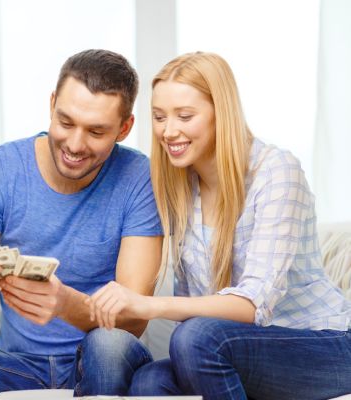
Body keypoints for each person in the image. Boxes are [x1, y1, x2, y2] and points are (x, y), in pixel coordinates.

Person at [87, 51, 351, 399]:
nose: (169, 131)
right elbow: (196, 309)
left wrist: (146, 304)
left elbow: (254, 304)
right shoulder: (180, 187)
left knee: (195, 338)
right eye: (159, 117)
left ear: (220, 114)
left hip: (323, 345)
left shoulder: (276, 172)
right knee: (148, 381)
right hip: (239, 349)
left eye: (185, 116)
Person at [0, 49, 163, 396]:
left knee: (108, 346)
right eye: (66, 122)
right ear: (52, 103)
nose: (74, 144)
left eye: (96, 132)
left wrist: (65, 305)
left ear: (125, 128)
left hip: (99, 361)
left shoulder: (139, 177)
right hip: (19, 364)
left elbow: (133, 321)